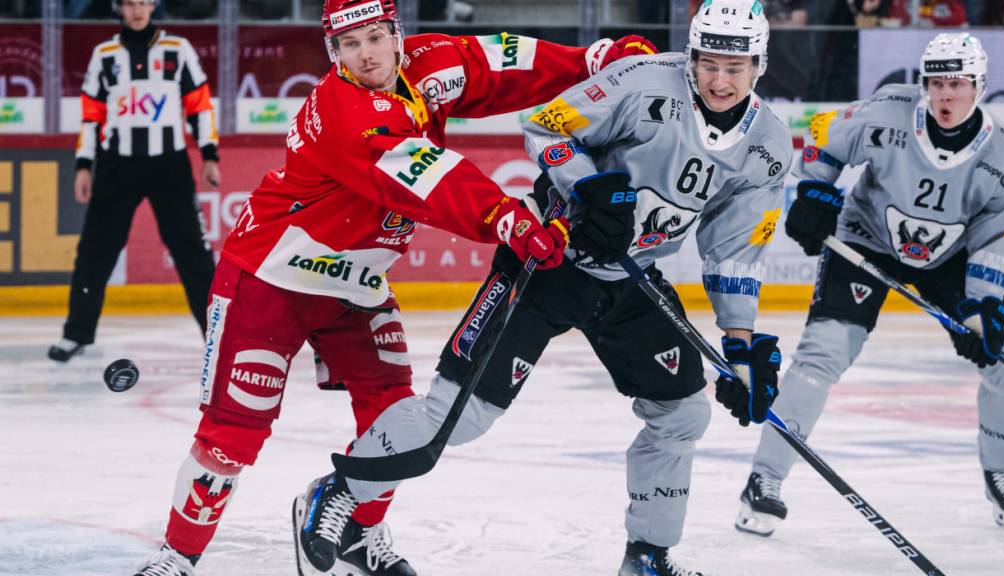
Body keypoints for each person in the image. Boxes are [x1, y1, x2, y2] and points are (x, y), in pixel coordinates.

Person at [131, 0, 656, 574]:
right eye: (349, 44)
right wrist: (505, 216)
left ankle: (359, 535)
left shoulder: (430, 64)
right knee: (233, 435)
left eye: (376, 37)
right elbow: (425, 176)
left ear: (396, 35)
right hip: (270, 280)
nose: (366, 54)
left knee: (393, 417)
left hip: (357, 285)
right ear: (333, 53)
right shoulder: (342, 111)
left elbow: (499, 63)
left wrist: (594, 61)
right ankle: (177, 557)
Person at [307, 1, 790, 574]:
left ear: (760, 66)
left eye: (735, 69)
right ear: (692, 56)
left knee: (682, 413)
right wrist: (589, 188)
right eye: (708, 64)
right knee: (461, 415)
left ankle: (647, 555)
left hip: (630, 278)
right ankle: (340, 489)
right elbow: (548, 125)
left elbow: (735, 250)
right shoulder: (643, 79)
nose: (719, 81)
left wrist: (739, 344)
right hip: (547, 260)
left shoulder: (769, 147)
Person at [735, 32, 1004, 538]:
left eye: (958, 84)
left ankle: (1001, 471)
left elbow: (1002, 236)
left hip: (953, 257)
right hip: (864, 241)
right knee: (822, 355)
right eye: (937, 83)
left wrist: (980, 305)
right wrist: (814, 190)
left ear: (979, 86)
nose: (946, 95)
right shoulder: (889, 112)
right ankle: (765, 478)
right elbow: (824, 133)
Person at [50, 0, 219, 362]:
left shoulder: (178, 49)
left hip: (169, 165)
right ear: (119, 8)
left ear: (153, 6)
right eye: (129, 3)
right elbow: (91, 116)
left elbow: (200, 105)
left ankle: (218, 335)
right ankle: (76, 334)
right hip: (117, 166)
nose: (137, 10)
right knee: (94, 252)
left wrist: (210, 155)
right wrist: (84, 165)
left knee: (193, 252)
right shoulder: (105, 55)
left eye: (143, 2)